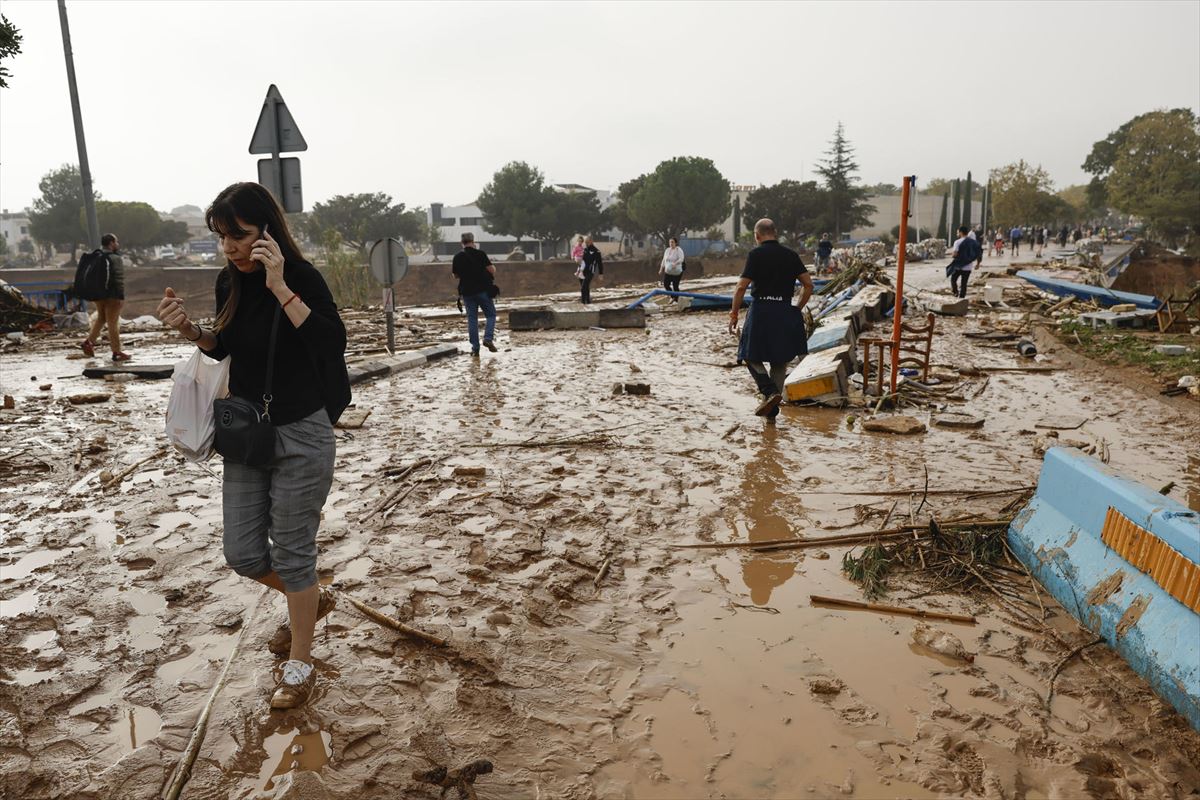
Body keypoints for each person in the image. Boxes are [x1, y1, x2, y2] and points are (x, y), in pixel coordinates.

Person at [155, 182, 350, 710]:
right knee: (242, 554)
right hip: (247, 432)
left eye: (238, 236)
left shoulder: (301, 276)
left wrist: (281, 285)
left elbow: (332, 343)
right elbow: (228, 348)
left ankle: (299, 666)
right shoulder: (227, 283)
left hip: (303, 432)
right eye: (221, 237)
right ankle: (309, 598)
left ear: (267, 230)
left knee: (292, 554)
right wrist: (193, 332)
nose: (230, 249)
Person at [728, 219, 813, 421]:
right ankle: (771, 415)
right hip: (784, 309)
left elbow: (741, 287)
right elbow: (808, 285)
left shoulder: (755, 255)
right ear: (776, 233)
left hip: (761, 311)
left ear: (757, 236)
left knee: (748, 353)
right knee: (779, 360)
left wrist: (733, 314)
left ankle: (768, 391)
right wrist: (797, 308)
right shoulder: (791, 255)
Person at [79, 233, 130, 361]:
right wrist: (120, 296)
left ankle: (89, 342)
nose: (117, 244)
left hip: (98, 295)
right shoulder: (114, 258)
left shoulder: (97, 256)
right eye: (116, 242)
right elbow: (118, 279)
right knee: (113, 323)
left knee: (101, 318)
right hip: (112, 295)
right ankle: (116, 352)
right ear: (111, 243)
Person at [452, 232, 498, 356]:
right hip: (483, 291)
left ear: (462, 243)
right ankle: (488, 338)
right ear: (473, 241)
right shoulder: (480, 254)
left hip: (467, 293)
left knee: (472, 319)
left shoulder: (457, 257)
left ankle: (475, 348)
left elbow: (455, 275)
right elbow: (491, 270)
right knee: (491, 315)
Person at [946, 224, 982, 299]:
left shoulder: (957, 242)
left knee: (953, 279)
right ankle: (962, 298)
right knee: (964, 283)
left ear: (961, 232)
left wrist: (952, 255)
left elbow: (955, 254)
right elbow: (979, 253)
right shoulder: (973, 242)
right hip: (968, 267)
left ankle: (955, 293)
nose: (957, 234)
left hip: (958, 266)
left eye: (958, 232)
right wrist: (978, 264)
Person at [580, 235, 603, 304]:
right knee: (586, 287)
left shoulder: (597, 251)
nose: (586, 243)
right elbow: (582, 261)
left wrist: (600, 274)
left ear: (591, 241)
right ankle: (588, 302)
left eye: (587, 242)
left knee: (583, 288)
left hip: (590, 272)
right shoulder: (585, 250)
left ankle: (583, 302)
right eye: (585, 242)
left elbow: (600, 263)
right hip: (583, 271)